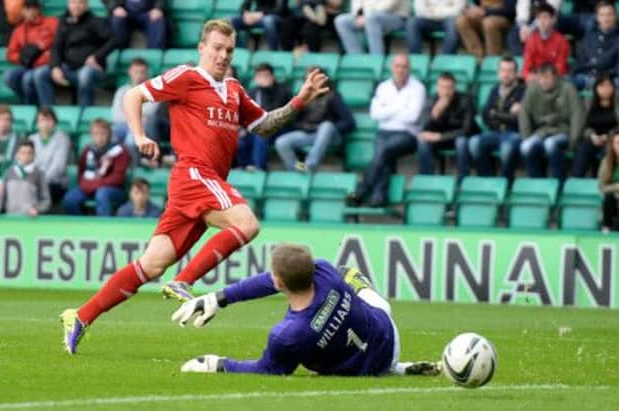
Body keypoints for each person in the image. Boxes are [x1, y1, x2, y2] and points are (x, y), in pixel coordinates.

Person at [59, 19, 329, 354]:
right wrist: (140, 135)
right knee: (247, 224)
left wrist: (300, 99)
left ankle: (80, 316)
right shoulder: (186, 77)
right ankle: (183, 281)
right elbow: (134, 95)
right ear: (202, 48)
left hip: (205, 183)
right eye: (216, 48)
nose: (223, 55)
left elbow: (263, 126)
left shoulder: (233, 90)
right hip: (194, 174)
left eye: (228, 50)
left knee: (151, 264)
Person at [172, 243, 441, 377]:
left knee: (335, 349)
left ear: (279, 283)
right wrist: (218, 298)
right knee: (348, 274)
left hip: (360, 371)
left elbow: (266, 370)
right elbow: (272, 280)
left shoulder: (287, 335)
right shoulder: (325, 271)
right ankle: (399, 369)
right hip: (387, 335)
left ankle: (395, 370)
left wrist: (215, 364)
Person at [349, 54, 426, 207]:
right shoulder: (383, 87)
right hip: (383, 132)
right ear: (392, 67)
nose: (401, 70)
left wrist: (388, 109)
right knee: (383, 156)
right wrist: (399, 107)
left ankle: (362, 189)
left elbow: (412, 117)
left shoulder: (418, 88)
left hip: (408, 134)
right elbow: (375, 114)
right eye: (397, 66)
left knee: (382, 152)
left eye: (404, 66)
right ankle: (379, 196)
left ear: (409, 68)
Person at [275, 69, 355, 172]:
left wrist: (329, 128)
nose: (312, 82)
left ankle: (309, 165)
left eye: (316, 78)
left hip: (331, 136)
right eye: (309, 79)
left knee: (326, 126)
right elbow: (294, 122)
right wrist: (305, 126)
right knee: (281, 142)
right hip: (309, 133)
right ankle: (296, 170)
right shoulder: (303, 97)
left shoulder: (333, 96)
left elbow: (349, 122)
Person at [39, 0, 117, 107]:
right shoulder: (64, 22)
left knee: (84, 75)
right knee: (40, 74)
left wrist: (96, 57)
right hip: (68, 68)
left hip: (91, 68)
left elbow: (113, 40)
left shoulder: (96, 22)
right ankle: (49, 112)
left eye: (80, 2)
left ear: (86, 5)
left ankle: (84, 111)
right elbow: (57, 46)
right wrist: (55, 67)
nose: (76, 6)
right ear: (68, 4)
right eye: (73, 2)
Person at [519, 63, 584, 182]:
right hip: (541, 132)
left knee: (550, 144)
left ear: (555, 77)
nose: (544, 81)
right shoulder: (533, 89)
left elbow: (577, 115)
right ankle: (537, 182)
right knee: (525, 147)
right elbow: (524, 113)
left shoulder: (568, 88)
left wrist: (573, 141)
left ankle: (559, 182)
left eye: (547, 77)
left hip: (563, 131)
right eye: (541, 78)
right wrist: (526, 137)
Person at [468, 56, 524, 183]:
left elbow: (519, 120)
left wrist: (496, 114)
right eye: (503, 71)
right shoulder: (494, 90)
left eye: (510, 71)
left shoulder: (523, 92)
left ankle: (506, 182)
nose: (506, 74)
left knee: (507, 149)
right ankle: (489, 180)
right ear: (498, 73)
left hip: (513, 133)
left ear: (516, 73)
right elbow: (485, 114)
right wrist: (505, 114)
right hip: (494, 132)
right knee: (474, 143)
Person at [62, 119, 130, 216]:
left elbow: (118, 178)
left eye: (103, 133)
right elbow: (81, 173)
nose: (99, 137)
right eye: (95, 134)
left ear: (109, 134)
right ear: (91, 135)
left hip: (114, 190)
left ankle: (104, 228)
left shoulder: (120, 150)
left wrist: (95, 184)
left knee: (102, 194)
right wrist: (88, 185)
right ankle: (79, 227)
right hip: (90, 187)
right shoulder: (88, 150)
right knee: (70, 199)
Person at [417, 72, 477, 181]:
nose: (445, 92)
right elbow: (423, 129)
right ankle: (426, 180)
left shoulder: (465, 100)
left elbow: (466, 130)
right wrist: (435, 114)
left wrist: (439, 137)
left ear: (454, 88)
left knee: (461, 142)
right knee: (423, 141)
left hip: (458, 137)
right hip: (440, 139)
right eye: (442, 87)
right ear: (437, 88)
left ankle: (463, 182)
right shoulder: (431, 100)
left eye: (449, 88)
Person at [236, 63, 291, 171]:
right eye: (260, 76)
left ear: (272, 77)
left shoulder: (282, 92)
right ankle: (243, 168)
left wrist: (266, 90)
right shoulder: (252, 92)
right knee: (240, 138)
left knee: (261, 133)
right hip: (255, 128)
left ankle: (259, 168)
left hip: (278, 129)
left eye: (266, 76)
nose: (263, 79)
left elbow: (274, 114)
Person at [3, 0, 59, 106]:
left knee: (28, 78)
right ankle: (32, 105)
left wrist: (42, 49)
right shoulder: (18, 30)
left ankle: (46, 108)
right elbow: (10, 54)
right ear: (23, 11)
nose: (30, 11)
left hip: (47, 65)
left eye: (33, 8)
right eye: (27, 8)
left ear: (38, 9)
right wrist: (22, 57)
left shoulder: (52, 22)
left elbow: (59, 42)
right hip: (28, 65)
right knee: (9, 76)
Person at [111, 57, 161, 166]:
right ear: (130, 72)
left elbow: (150, 113)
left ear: (147, 73)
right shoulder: (121, 91)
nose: (139, 75)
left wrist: (130, 116)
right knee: (109, 134)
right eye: (136, 72)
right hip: (124, 125)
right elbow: (116, 116)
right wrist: (135, 117)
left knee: (130, 139)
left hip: (144, 127)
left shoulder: (152, 91)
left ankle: (134, 166)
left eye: (142, 72)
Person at [0, 140, 50, 218]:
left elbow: (46, 201)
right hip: (11, 219)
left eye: (29, 153)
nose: (26, 156)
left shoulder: (39, 174)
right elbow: (1, 199)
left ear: (34, 155)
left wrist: (37, 209)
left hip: (31, 220)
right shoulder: (9, 172)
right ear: (17, 154)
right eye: (22, 153)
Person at [572, 74, 619, 177]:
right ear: (596, 88)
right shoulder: (588, 103)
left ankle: (605, 184)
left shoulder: (617, 103)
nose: (606, 89)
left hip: (613, 139)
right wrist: (592, 135)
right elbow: (583, 126)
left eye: (609, 85)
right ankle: (575, 182)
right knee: (582, 149)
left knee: (608, 151)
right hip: (593, 138)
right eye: (602, 86)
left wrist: (608, 136)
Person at [570, 1, 619, 91]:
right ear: (597, 17)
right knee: (567, 81)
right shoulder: (589, 37)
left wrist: (604, 77)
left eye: (609, 14)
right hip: (588, 78)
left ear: (615, 16)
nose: (606, 18)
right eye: (602, 15)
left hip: (611, 79)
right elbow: (580, 62)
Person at [28, 107, 71, 206]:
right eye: (42, 120)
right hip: (34, 182)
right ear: (37, 123)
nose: (45, 124)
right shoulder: (31, 139)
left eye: (49, 120)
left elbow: (58, 167)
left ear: (54, 122)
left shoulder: (62, 139)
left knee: (35, 193)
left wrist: (39, 182)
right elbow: (29, 163)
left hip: (56, 183)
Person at [334, 0, 410, 55]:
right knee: (341, 21)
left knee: (371, 19)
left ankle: (376, 59)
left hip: (396, 17)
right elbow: (357, 4)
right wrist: (357, 15)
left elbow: (388, 5)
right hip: (368, 16)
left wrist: (366, 16)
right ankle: (357, 57)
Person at [521, 2, 569, 83]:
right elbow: (526, 68)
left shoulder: (561, 41)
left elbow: (560, 68)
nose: (542, 21)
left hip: (555, 80)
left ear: (553, 19)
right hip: (536, 80)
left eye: (545, 17)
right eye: (538, 18)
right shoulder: (531, 41)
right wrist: (528, 76)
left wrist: (545, 78)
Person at [599, 129, 619, 232]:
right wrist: (616, 187)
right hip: (613, 199)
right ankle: (606, 229)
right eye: (617, 143)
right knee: (608, 198)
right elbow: (601, 187)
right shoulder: (606, 162)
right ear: (612, 145)